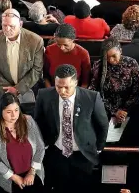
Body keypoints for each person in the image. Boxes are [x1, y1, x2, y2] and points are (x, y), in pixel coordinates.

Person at [34, 64, 109, 193]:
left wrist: (98, 148)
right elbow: (38, 122)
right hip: (56, 153)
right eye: (58, 86)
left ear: (75, 83)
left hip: (83, 155)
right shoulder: (44, 95)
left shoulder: (91, 97)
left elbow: (102, 125)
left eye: (66, 87)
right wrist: (44, 144)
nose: (62, 91)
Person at [0, 93, 45, 193]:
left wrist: (32, 172)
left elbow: (40, 147)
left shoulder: (28, 121)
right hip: (9, 177)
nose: (14, 115)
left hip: (33, 173)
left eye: (16, 110)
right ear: (1, 111)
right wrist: (14, 177)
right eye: (9, 112)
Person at [0, 9, 44, 98]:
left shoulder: (36, 41)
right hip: (4, 90)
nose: (7, 29)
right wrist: (9, 88)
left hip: (27, 90)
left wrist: (18, 89)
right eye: (4, 25)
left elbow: (37, 69)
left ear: (20, 24)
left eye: (12, 26)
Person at [89, 38, 139, 121]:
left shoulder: (131, 63)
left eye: (113, 56)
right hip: (105, 107)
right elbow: (94, 91)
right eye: (107, 57)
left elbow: (137, 90)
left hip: (129, 107)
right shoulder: (99, 65)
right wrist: (114, 111)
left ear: (120, 51)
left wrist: (125, 110)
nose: (111, 60)